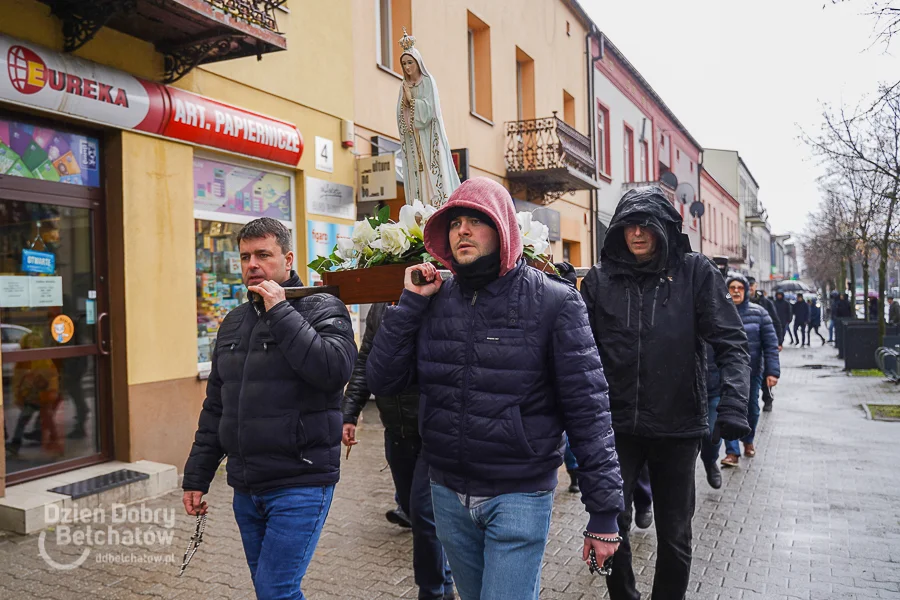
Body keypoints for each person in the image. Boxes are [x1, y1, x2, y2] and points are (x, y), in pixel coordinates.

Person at [366, 177, 624, 600]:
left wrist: (604, 515)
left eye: (475, 221)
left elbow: (588, 411)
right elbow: (384, 380)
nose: (462, 231)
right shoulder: (434, 300)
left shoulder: (555, 303)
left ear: (503, 228)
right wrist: (410, 303)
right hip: (447, 490)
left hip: (519, 492)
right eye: (454, 223)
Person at [580, 186, 751, 600]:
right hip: (616, 426)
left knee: (675, 533)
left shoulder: (696, 273)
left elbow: (732, 343)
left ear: (664, 228)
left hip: (678, 427)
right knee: (609, 523)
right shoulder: (601, 280)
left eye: (645, 225)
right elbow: (576, 354)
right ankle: (623, 595)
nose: (636, 233)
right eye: (627, 225)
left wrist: (733, 403)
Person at [182, 218, 357, 600]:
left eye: (263, 255)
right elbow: (216, 406)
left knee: (276, 590)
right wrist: (197, 477)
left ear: (288, 259)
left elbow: (333, 371)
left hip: (301, 480)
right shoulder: (233, 323)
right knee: (269, 590)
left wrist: (280, 311)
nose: (252, 265)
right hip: (247, 486)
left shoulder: (322, 306)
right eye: (245, 257)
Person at [343, 303, 454, 600]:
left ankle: (432, 592)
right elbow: (366, 358)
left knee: (423, 512)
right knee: (416, 513)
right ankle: (443, 581)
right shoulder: (381, 307)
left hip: (433, 431)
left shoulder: (440, 298)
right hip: (396, 431)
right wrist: (349, 412)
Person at [720, 275, 780, 467]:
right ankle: (732, 452)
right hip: (725, 372)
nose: (736, 291)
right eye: (732, 287)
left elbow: (770, 345)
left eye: (740, 288)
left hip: (752, 373)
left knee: (752, 410)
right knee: (728, 411)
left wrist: (773, 372)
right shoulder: (718, 312)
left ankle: (748, 439)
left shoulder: (759, 313)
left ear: (746, 291)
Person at [396, 28, 460, 207]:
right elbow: (401, 117)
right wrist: (406, 105)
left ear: (417, 62)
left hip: (429, 139)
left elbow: (430, 111)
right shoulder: (404, 85)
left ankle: (437, 205)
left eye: (410, 62)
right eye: (404, 64)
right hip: (414, 143)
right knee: (418, 177)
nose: (407, 68)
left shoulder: (428, 81)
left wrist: (412, 100)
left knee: (432, 176)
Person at [748, 277, 782, 413]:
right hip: (750, 348)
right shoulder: (736, 303)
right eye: (748, 285)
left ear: (756, 286)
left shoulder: (765, 303)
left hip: (762, 345)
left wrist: (778, 341)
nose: (750, 288)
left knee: (765, 373)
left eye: (752, 285)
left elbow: (775, 322)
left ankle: (768, 398)